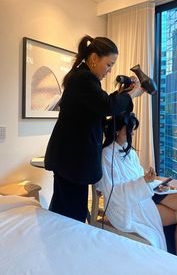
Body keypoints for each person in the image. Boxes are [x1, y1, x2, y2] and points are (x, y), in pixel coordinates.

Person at [44, 35, 144, 223]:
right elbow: (106, 106)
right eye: (108, 64)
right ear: (94, 58)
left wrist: (122, 94)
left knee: (66, 209)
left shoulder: (84, 79)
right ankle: (63, 247)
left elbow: (99, 106)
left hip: (71, 160)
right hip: (71, 160)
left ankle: (60, 245)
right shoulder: (82, 79)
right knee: (69, 214)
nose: (109, 70)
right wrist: (132, 94)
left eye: (112, 66)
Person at [96, 113, 177, 264]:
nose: (133, 133)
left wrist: (154, 183)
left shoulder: (130, 152)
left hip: (142, 197)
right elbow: (115, 193)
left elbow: (140, 178)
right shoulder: (107, 155)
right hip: (125, 208)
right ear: (117, 130)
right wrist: (144, 181)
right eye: (130, 130)